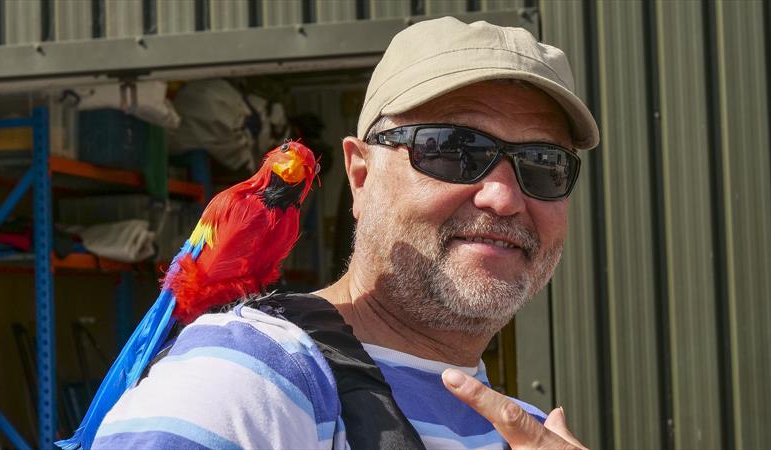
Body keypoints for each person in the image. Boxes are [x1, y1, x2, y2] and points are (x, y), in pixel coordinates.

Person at [92, 16, 598, 449]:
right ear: (360, 176)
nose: (503, 197)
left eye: (542, 162)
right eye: (453, 148)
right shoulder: (247, 378)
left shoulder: (526, 431)